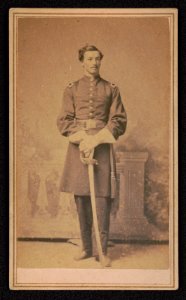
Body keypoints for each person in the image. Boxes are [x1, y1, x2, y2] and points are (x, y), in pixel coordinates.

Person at [57, 44, 127, 266]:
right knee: (81, 199)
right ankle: (86, 248)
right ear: (82, 61)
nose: (94, 63)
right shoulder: (71, 88)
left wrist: (95, 139)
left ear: (100, 61)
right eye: (89, 59)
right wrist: (82, 139)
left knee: (101, 200)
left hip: (102, 146)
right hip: (78, 146)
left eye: (97, 58)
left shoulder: (111, 89)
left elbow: (119, 120)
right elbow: (63, 121)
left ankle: (101, 252)